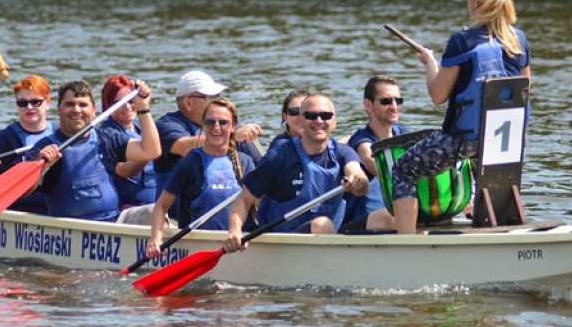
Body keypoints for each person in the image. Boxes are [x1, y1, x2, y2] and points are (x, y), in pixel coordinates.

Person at [391, 0, 531, 234]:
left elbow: (438, 95)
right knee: (491, 175)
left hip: (466, 139)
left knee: (403, 170)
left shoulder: (461, 42)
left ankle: (405, 245)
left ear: (475, 3)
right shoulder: (519, 40)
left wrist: (430, 63)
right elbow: (524, 89)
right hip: (509, 143)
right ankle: (502, 230)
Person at [224, 94, 369, 251]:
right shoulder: (279, 156)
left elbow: (358, 175)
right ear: (300, 120)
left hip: (327, 240)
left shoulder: (344, 153)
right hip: (284, 246)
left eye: (325, 115)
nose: (319, 121)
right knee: (322, 223)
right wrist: (235, 231)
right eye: (311, 115)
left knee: (385, 218)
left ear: (334, 121)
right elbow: (243, 200)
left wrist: (358, 181)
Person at [30, 79, 160, 222]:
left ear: (93, 110)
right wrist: (41, 168)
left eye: (83, 105)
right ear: (59, 109)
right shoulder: (45, 147)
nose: (77, 110)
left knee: (155, 211)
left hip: (114, 221)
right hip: (71, 228)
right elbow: (26, 190)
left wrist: (143, 107)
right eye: (70, 104)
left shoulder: (106, 139)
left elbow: (151, 151)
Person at [145, 99, 257, 256]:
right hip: (199, 243)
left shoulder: (245, 162)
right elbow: (161, 206)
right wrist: (156, 239)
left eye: (223, 122)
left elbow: (261, 204)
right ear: (203, 126)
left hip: (240, 242)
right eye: (210, 122)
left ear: (233, 127)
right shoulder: (190, 163)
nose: (216, 127)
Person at [153, 70, 263, 191]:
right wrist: (233, 136)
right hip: (180, 205)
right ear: (189, 102)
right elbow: (184, 147)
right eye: (210, 97)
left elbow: (263, 167)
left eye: (216, 97)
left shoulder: (228, 128)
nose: (215, 102)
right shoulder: (167, 125)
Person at [0, 75, 55, 214]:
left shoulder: (61, 134)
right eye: (22, 103)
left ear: (47, 103)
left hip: (55, 211)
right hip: (18, 211)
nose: (29, 107)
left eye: (36, 102)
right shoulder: (7, 137)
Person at [342, 75, 410, 231]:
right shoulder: (362, 140)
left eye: (398, 101)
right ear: (368, 105)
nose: (394, 107)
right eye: (386, 101)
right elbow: (373, 162)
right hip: (361, 225)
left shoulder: (405, 135)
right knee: (391, 216)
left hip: (397, 217)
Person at [97, 74, 159, 210]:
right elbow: (124, 170)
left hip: (155, 205)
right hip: (127, 208)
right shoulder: (107, 135)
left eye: (131, 101)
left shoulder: (143, 126)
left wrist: (144, 105)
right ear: (108, 106)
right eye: (119, 103)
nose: (127, 107)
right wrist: (149, 152)